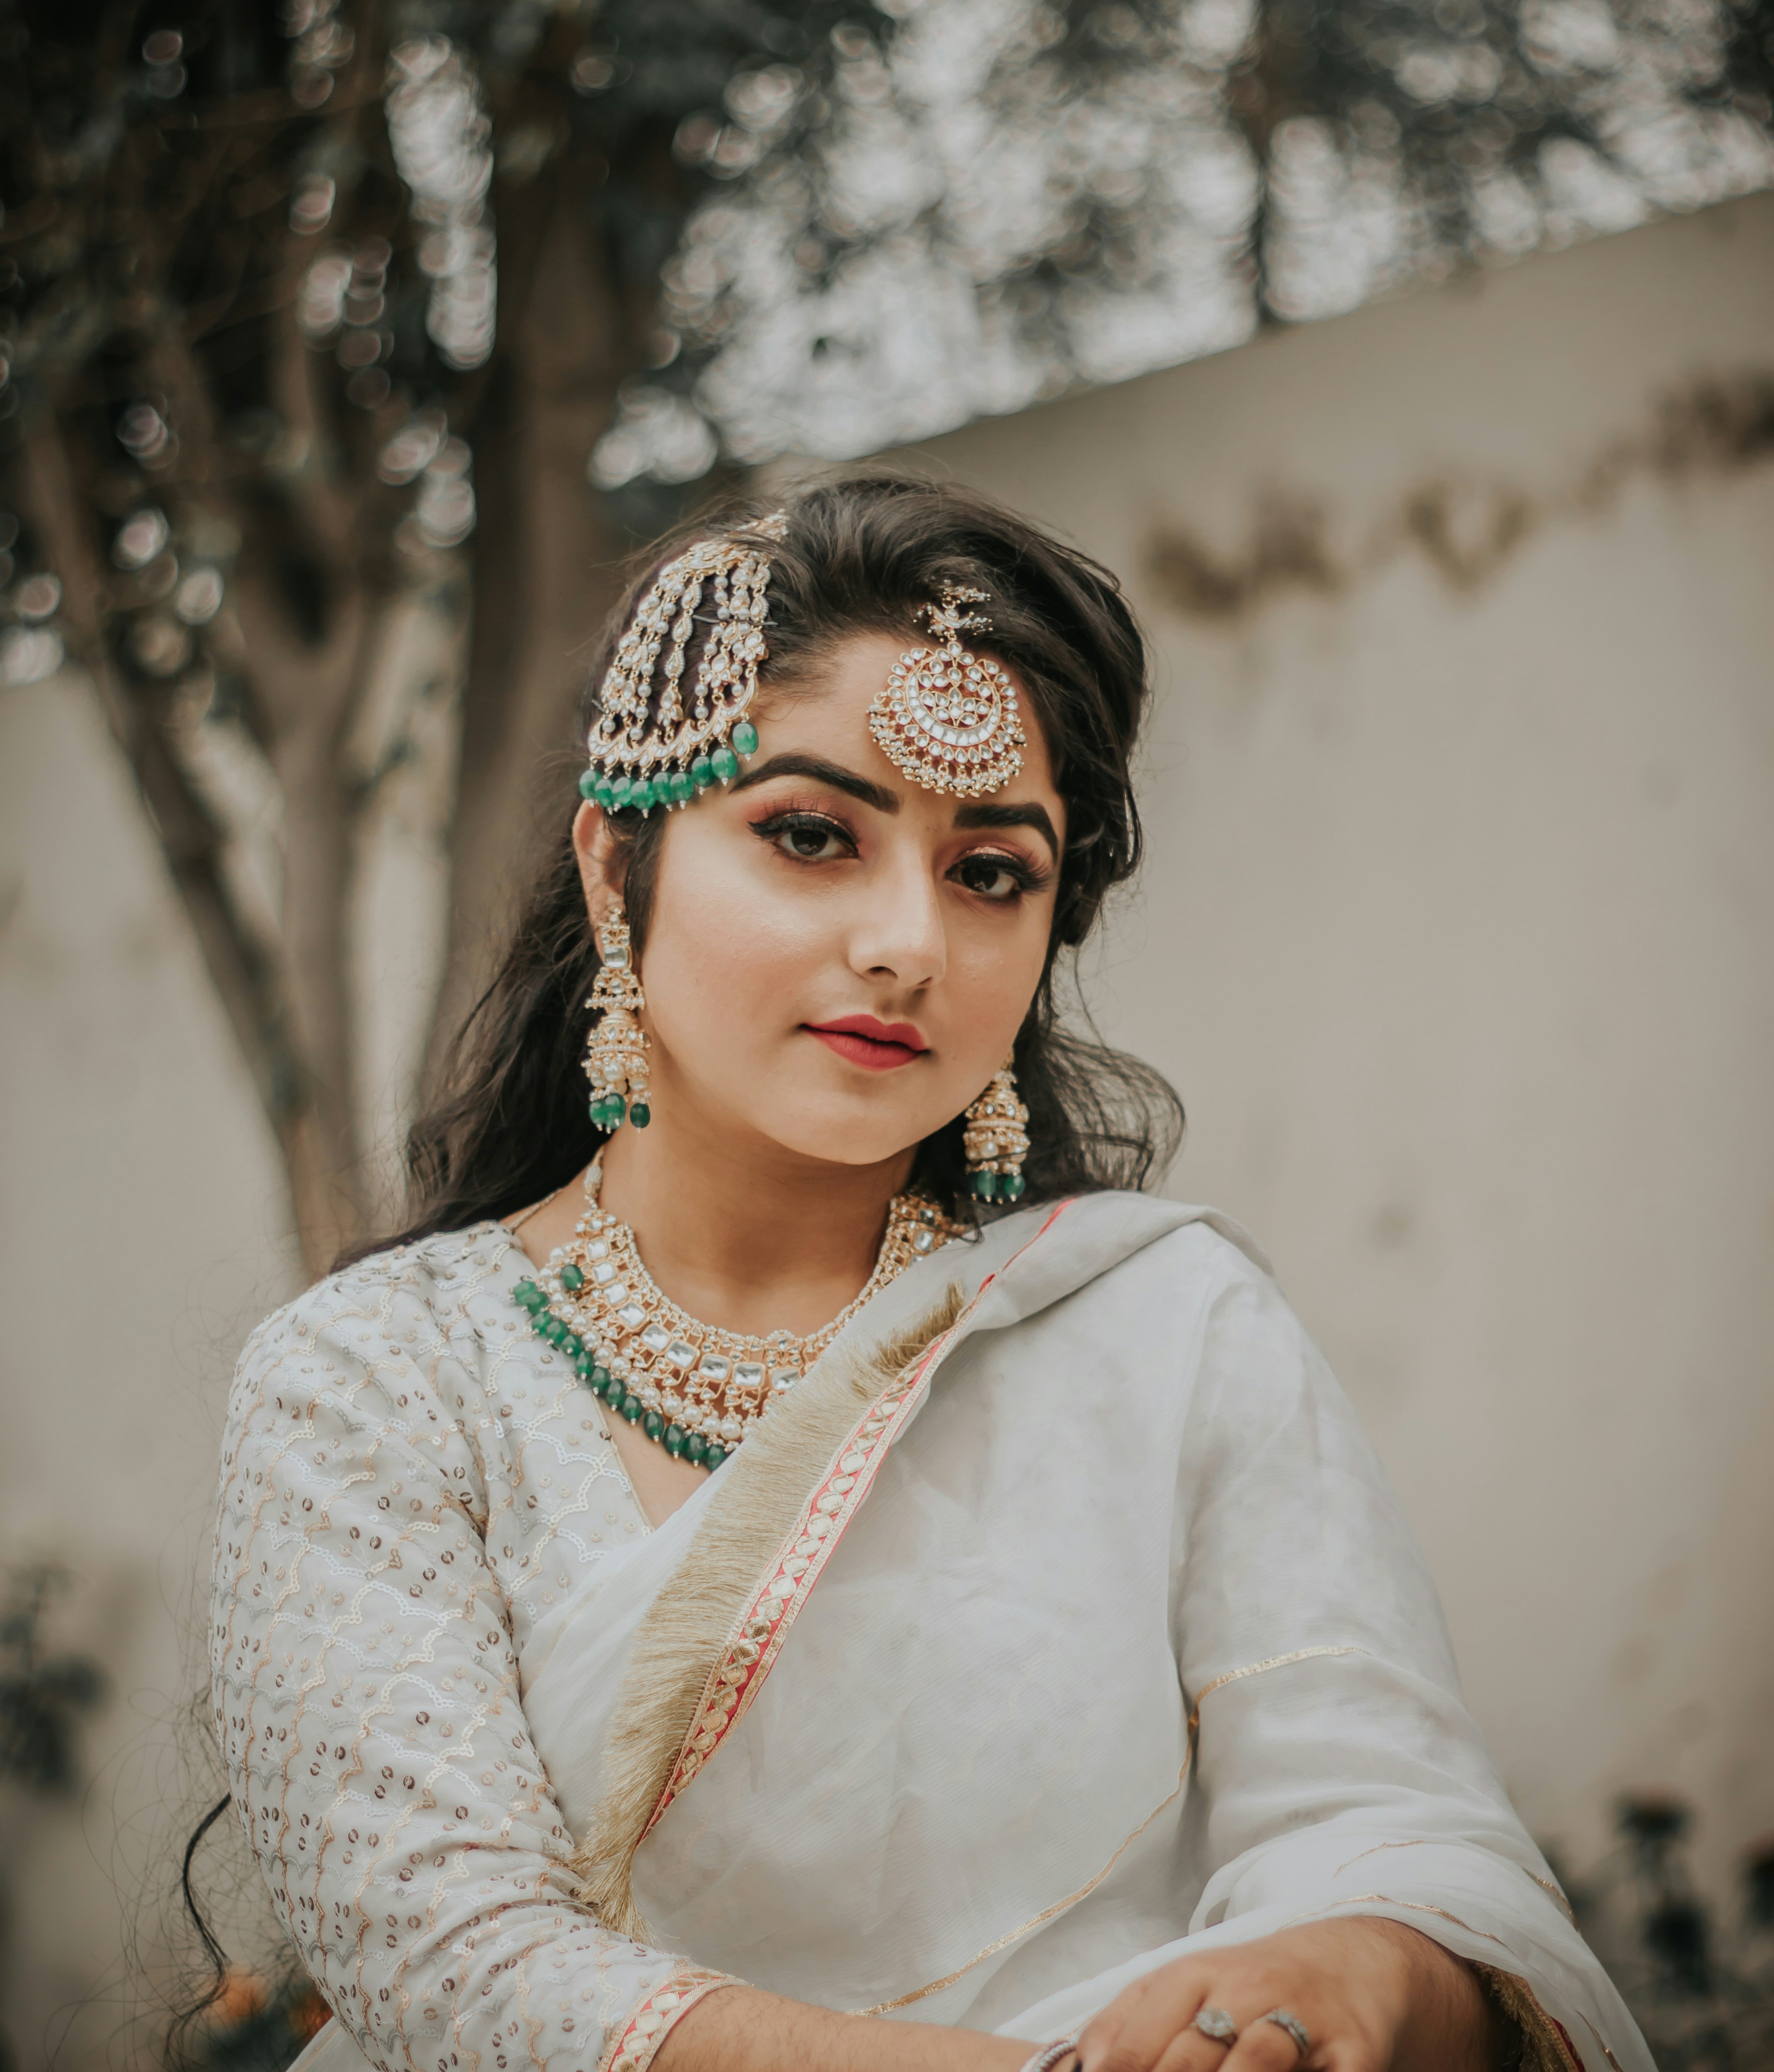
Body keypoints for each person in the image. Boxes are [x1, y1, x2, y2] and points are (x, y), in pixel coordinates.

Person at [210, 473, 1649, 2072]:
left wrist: (1363, 1971)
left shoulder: (1157, 1328)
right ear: (619, 868)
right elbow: (451, 1965)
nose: (911, 942)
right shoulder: (378, 1377)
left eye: (991, 872)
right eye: (812, 835)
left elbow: (1397, 1830)